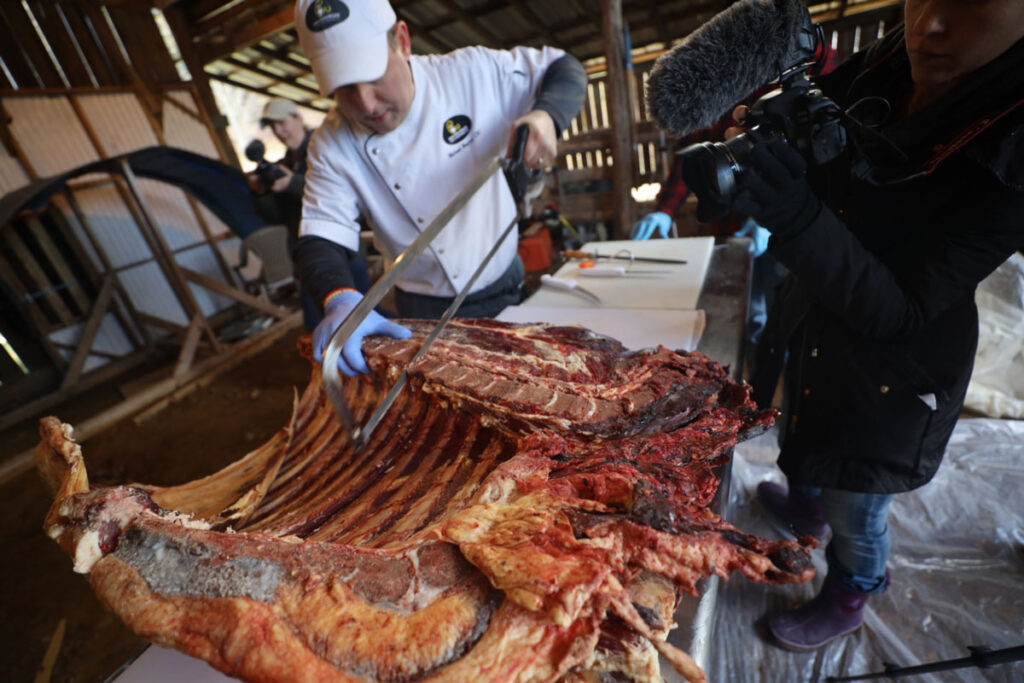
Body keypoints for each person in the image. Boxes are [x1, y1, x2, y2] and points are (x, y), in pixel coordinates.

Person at [693, 0, 1024, 652]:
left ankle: (852, 588)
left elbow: (900, 308)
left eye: (973, 2)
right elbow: (823, 134)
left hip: (893, 379)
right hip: (818, 322)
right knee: (803, 430)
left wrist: (796, 218)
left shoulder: (1012, 151)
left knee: (858, 502)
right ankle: (804, 503)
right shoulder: (890, 65)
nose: (929, 23)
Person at [291, 0, 586, 376]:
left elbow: (563, 67)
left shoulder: (472, 73)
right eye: (345, 88)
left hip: (503, 282)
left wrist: (547, 114)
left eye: (374, 75)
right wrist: (340, 297)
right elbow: (321, 237)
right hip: (420, 308)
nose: (366, 103)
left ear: (402, 41)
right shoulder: (330, 144)